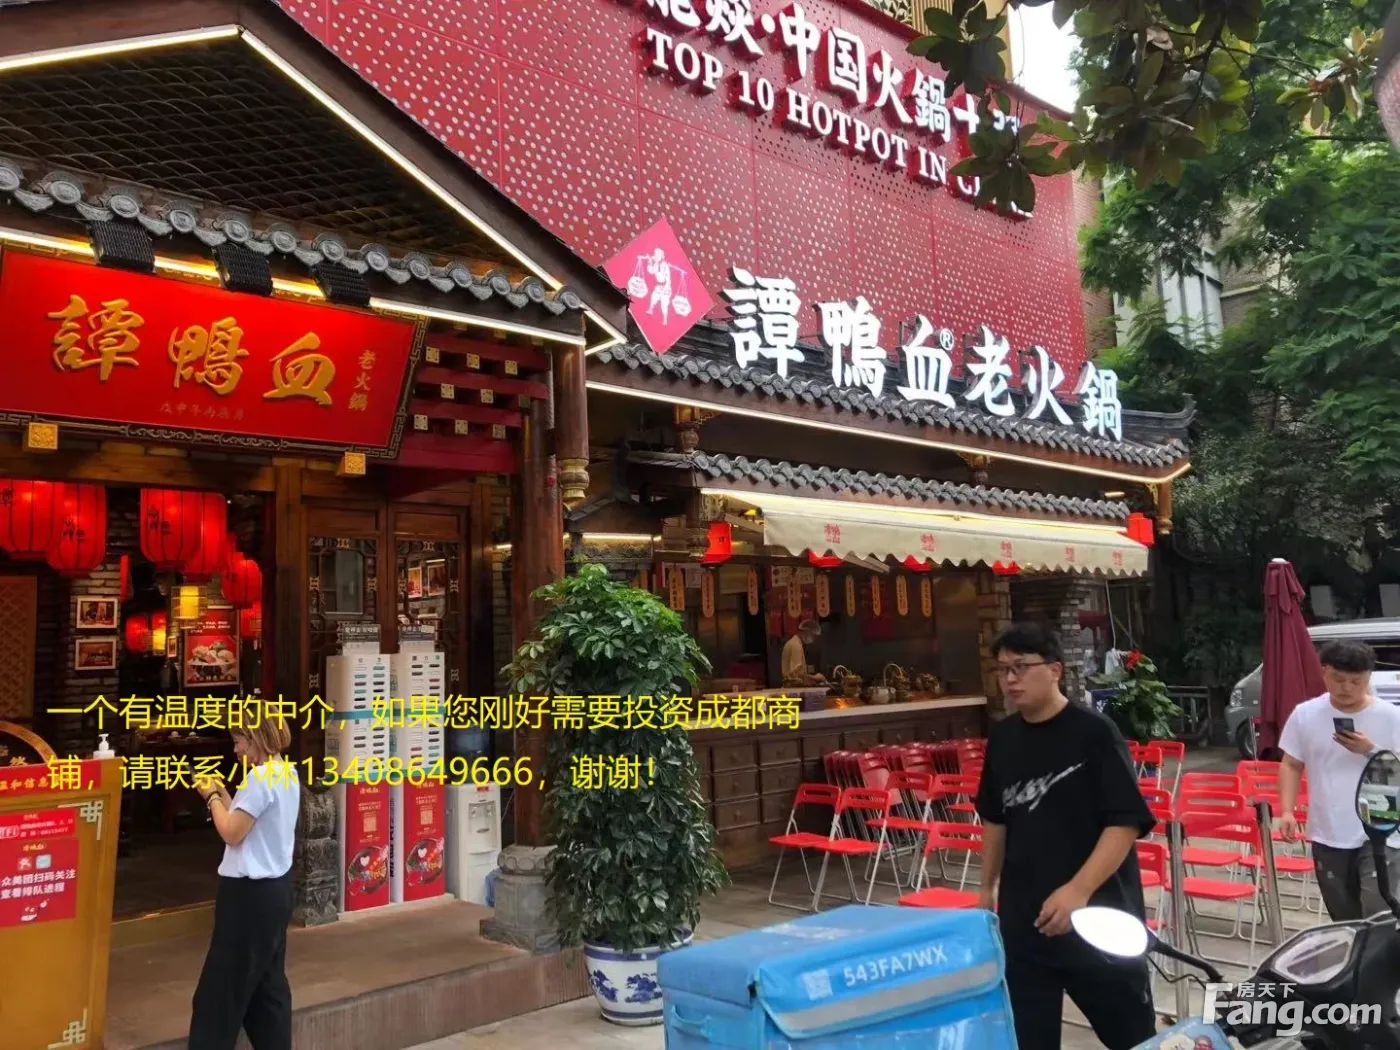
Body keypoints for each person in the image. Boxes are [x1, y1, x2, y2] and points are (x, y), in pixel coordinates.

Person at [975, 622, 1157, 1050]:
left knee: (1132, 1036)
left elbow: (1124, 823)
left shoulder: (1094, 734)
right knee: (1028, 1037)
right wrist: (986, 888)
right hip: (1025, 920)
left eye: (1020, 667)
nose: (1010, 679)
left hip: (1099, 916)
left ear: (1055, 670)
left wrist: (1078, 890)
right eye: (1002, 670)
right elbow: (995, 819)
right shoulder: (1003, 738)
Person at [189, 712, 300, 1050]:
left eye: (238, 741)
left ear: (255, 738)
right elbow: (245, 819)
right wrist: (222, 792)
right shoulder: (286, 773)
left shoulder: (260, 779)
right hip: (275, 892)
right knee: (267, 989)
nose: (235, 749)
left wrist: (210, 797)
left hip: (248, 897)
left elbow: (232, 832)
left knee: (217, 995)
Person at [1276, 640, 1400, 921]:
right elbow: (1291, 764)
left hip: (1382, 830)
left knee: (1378, 913)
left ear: (1368, 677)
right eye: (1339, 679)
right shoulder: (1305, 715)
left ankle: (1379, 951)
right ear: (1324, 672)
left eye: (1356, 681)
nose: (1347, 688)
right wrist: (1286, 811)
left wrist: (1371, 750)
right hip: (1328, 830)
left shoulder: (1391, 717)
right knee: (1343, 916)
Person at [780, 619, 821, 683]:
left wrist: (809, 681)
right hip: (793, 687)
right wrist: (815, 677)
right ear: (807, 631)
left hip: (792, 686)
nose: (813, 639)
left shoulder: (794, 642)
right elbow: (795, 673)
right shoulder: (796, 645)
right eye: (813, 635)